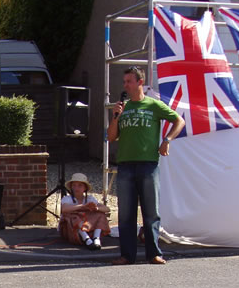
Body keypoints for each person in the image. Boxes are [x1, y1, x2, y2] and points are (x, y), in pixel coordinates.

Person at [107, 66, 185, 265]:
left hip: (148, 165)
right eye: (124, 82)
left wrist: (167, 140)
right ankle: (127, 255)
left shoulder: (153, 105)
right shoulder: (122, 108)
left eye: (129, 81)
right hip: (125, 165)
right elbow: (111, 137)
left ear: (140, 82)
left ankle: (154, 254)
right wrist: (115, 117)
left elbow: (179, 121)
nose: (125, 85)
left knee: (151, 212)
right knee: (126, 214)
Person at [59, 173, 110, 250]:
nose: (76, 188)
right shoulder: (67, 199)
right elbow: (64, 209)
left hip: (88, 228)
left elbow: (107, 209)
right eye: (74, 185)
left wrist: (96, 208)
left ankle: (96, 238)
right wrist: (82, 206)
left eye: (80, 185)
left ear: (85, 188)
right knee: (73, 216)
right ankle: (86, 239)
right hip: (70, 230)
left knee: (100, 214)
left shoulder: (89, 199)